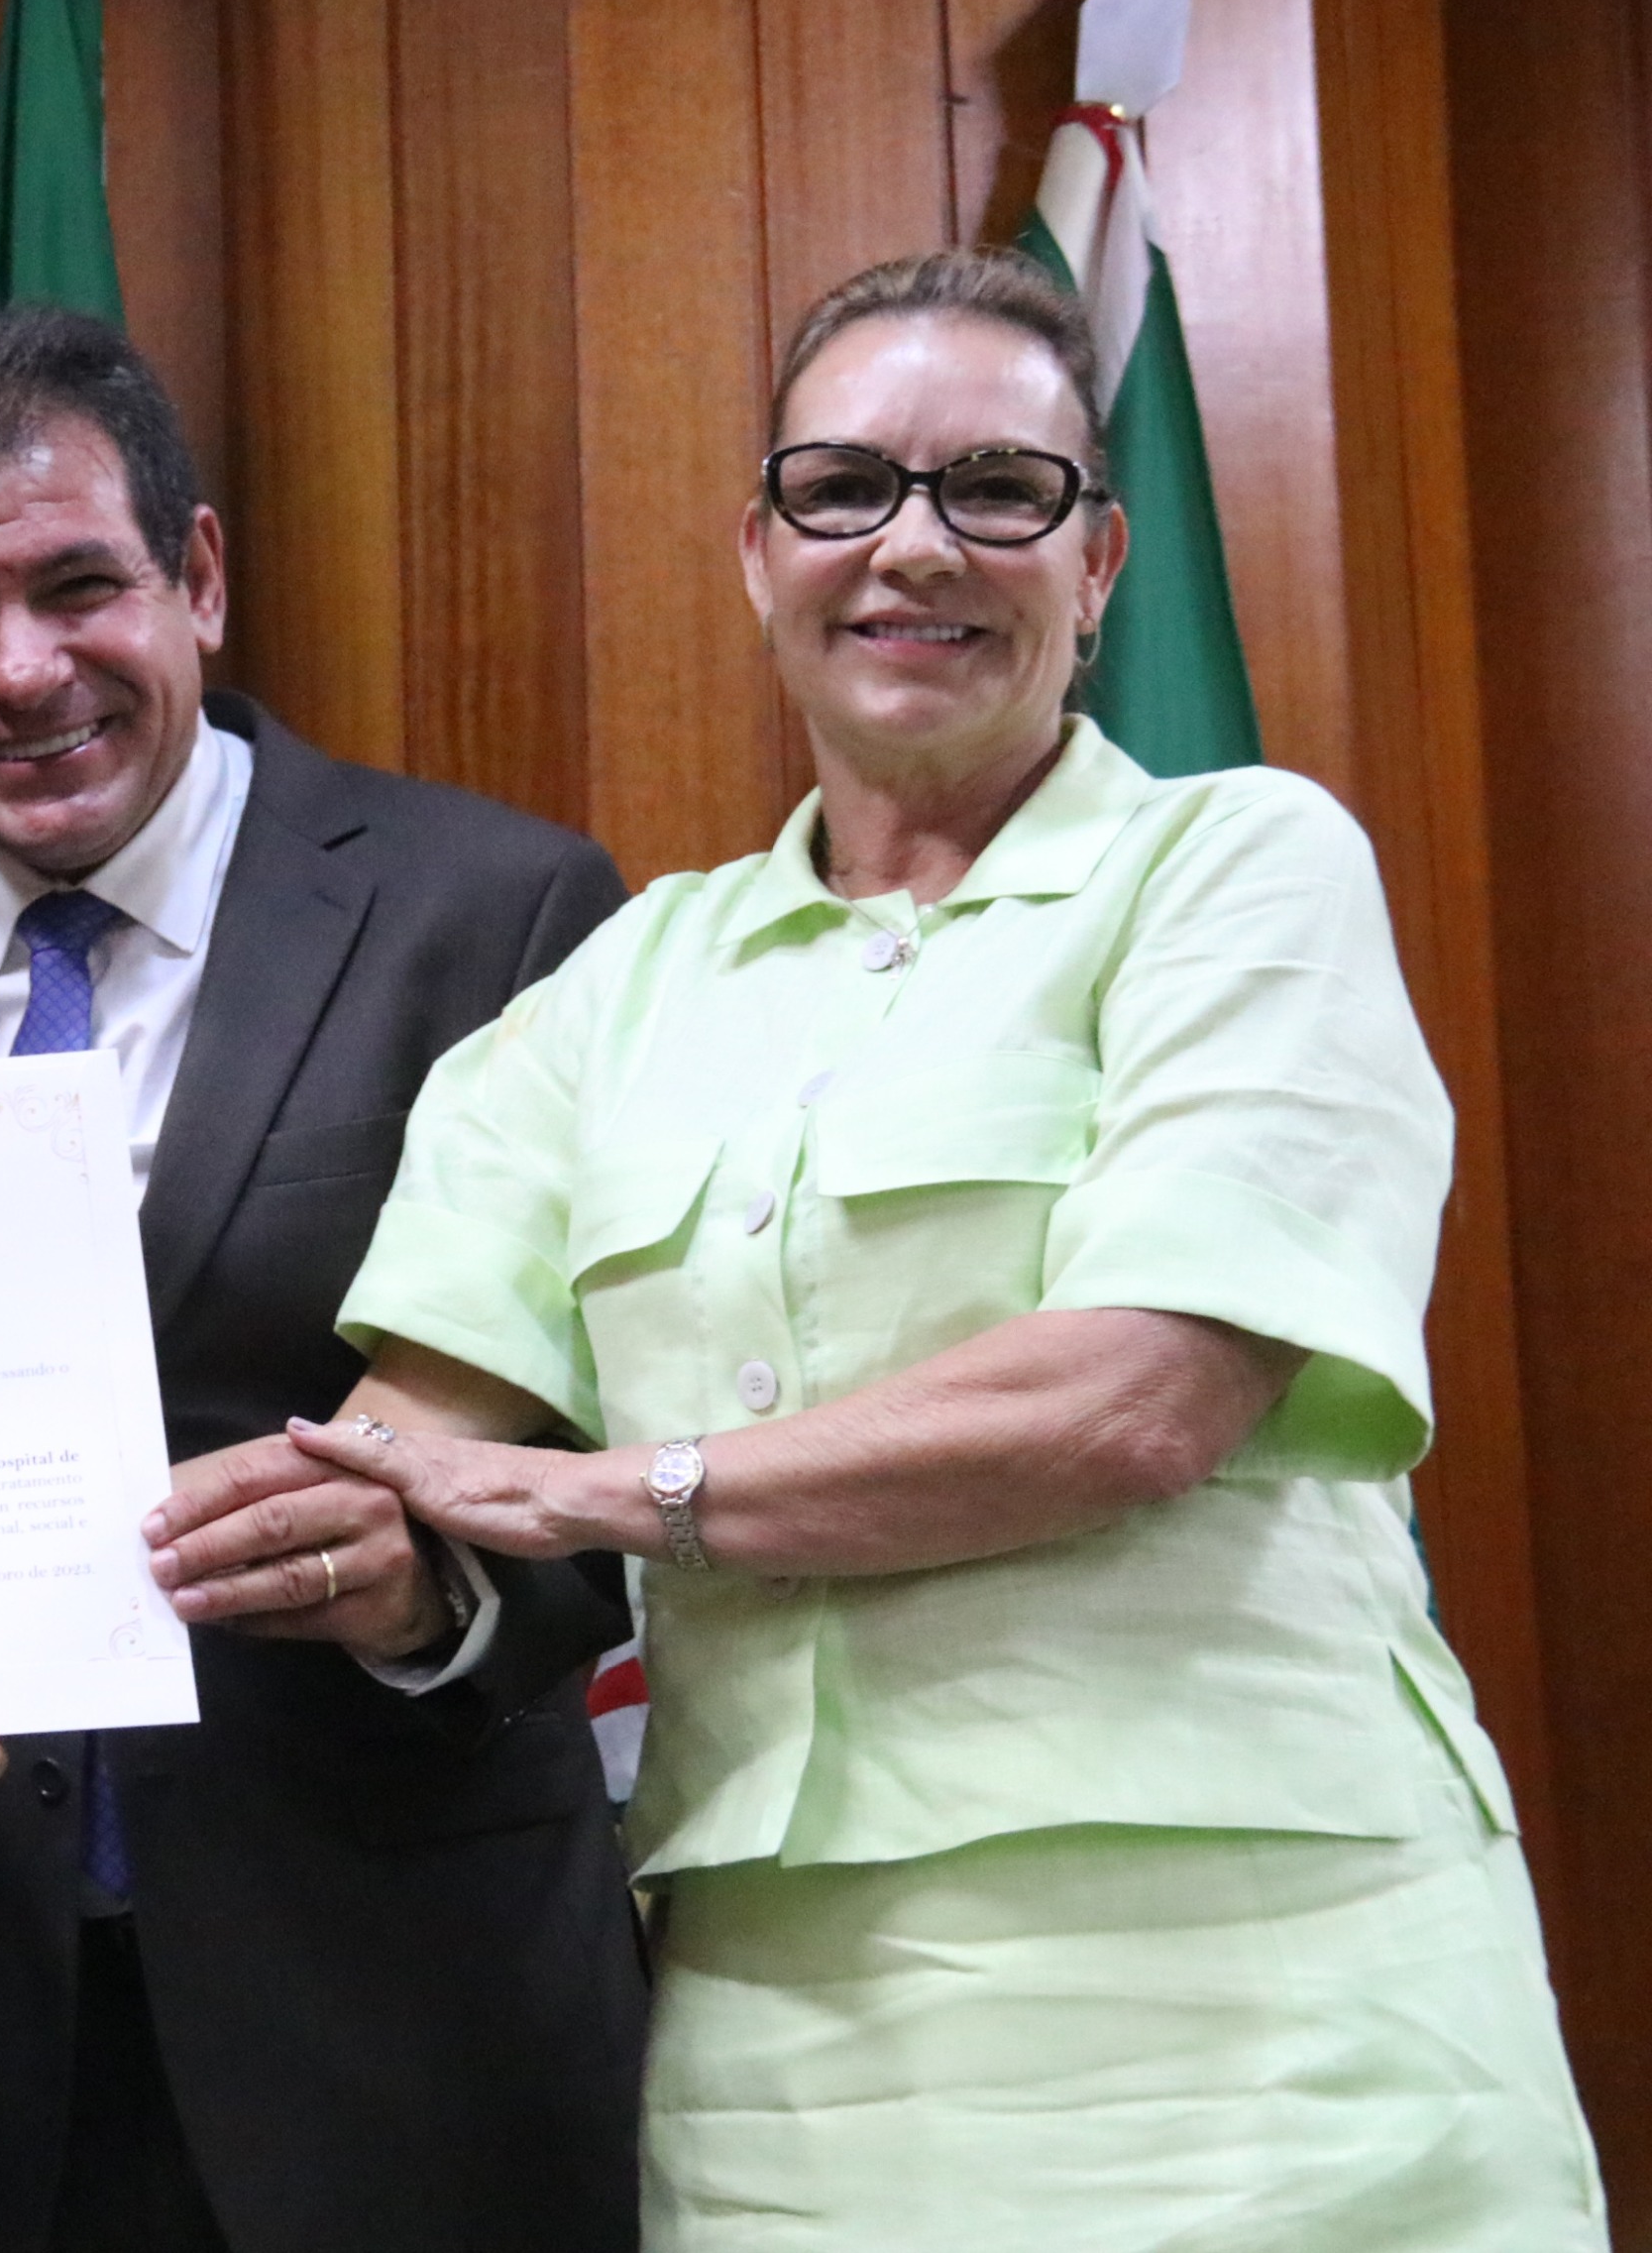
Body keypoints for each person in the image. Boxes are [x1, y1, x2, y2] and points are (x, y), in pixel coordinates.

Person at [182, 247, 1608, 2249]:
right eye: (842, 487)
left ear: (1098, 563)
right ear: (757, 554)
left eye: (997, 491)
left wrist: (618, 1491)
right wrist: (49, 1582)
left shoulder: (1237, 868)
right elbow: (402, 1451)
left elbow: (1138, 1399)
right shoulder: (609, 994)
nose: (913, 544)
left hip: (1272, 2022)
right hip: (788, 2062)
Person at [0, 308, 652, 2253]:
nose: (21, 668)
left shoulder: (497, 913)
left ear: (201, 578)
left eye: (80, 585)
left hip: (401, 2005)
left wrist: (429, 1598)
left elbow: (623, 1471)